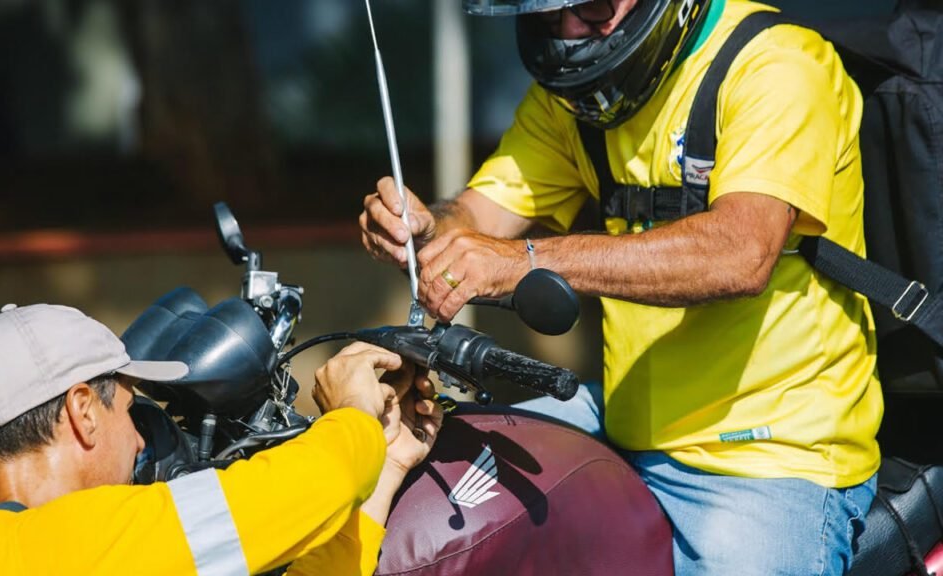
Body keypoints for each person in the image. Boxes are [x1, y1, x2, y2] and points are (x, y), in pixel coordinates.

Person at [360, 0, 881, 573]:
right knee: (433, 480)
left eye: (586, 7)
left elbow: (741, 253)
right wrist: (428, 227)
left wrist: (522, 260)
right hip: (624, 417)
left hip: (769, 452)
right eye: (546, 17)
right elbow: (476, 217)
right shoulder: (577, 100)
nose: (566, 33)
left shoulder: (774, 64)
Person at [0, 303, 442, 575]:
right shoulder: (82, 540)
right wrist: (350, 406)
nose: (139, 440)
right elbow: (321, 480)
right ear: (83, 410)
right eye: (131, 411)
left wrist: (388, 465)